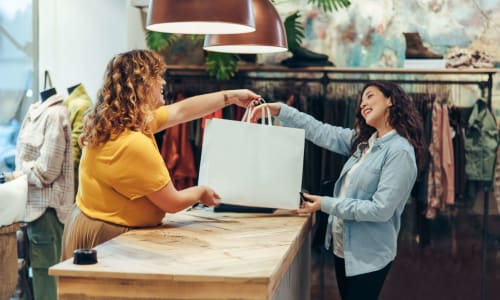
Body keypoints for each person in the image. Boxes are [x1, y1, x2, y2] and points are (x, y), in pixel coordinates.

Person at [61, 49, 260, 260]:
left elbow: (181, 111)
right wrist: (201, 192)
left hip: (88, 223)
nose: (163, 82)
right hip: (107, 239)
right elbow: (172, 202)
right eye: (157, 77)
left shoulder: (119, 124)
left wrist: (232, 96)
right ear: (142, 85)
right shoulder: (133, 143)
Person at [251, 81, 425, 300]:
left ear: (391, 100)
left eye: (370, 96)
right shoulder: (365, 142)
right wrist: (280, 110)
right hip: (343, 249)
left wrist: (326, 204)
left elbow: (381, 210)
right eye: (362, 100)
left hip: (368, 254)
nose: (363, 103)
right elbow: (321, 131)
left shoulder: (399, 152)